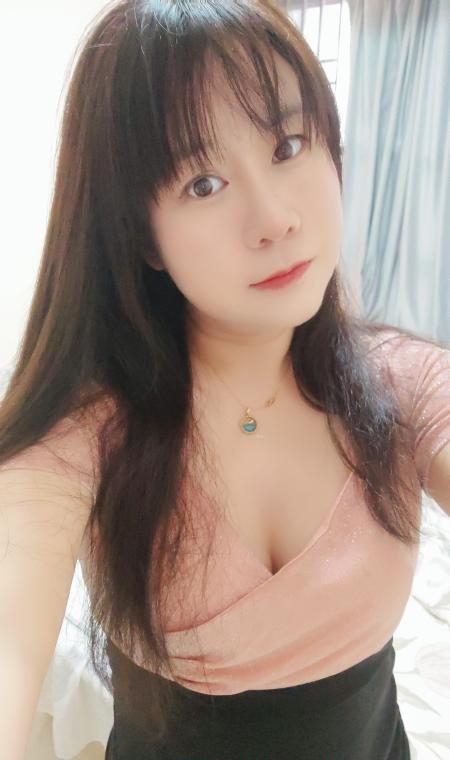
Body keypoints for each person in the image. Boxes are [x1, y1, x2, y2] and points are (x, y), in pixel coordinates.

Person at [0, 1, 449, 758]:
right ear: (142, 236)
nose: (274, 218)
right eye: (203, 183)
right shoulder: (86, 433)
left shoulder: (402, 382)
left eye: (289, 145)